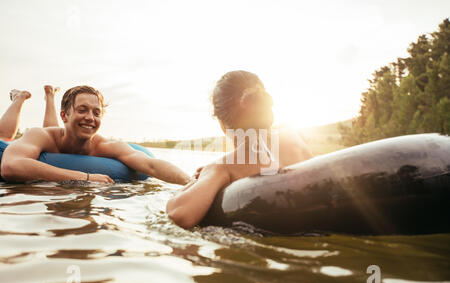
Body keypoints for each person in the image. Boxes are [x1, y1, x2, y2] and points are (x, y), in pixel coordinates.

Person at [166, 70, 313, 228]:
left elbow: (180, 215)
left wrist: (197, 181)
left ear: (222, 124)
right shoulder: (292, 136)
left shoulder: (223, 168)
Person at [1, 85, 190, 185]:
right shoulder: (40, 135)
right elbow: (10, 166)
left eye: (96, 113)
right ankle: (20, 97)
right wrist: (85, 178)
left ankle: (49, 96)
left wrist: (191, 182)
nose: (90, 118)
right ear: (64, 115)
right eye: (82, 110)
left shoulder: (105, 146)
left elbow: (151, 165)